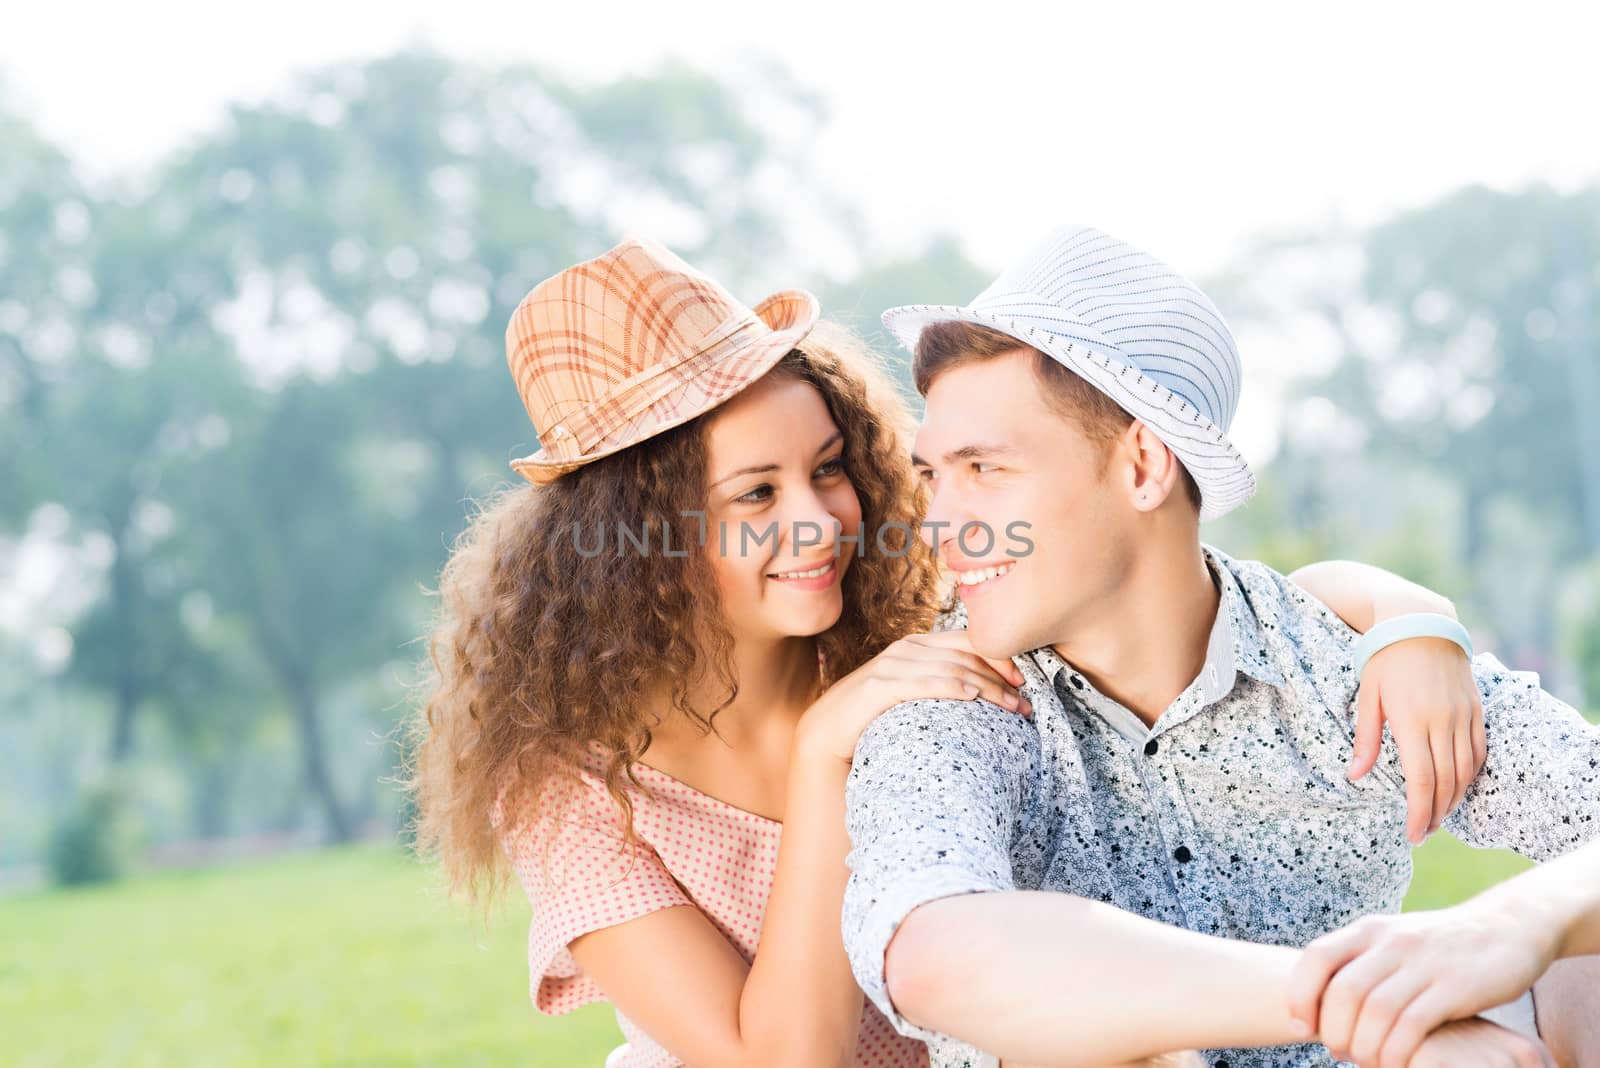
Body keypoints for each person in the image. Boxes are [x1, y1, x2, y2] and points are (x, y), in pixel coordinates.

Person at [405, 236, 1492, 1068]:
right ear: (639, 547)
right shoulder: (574, 791)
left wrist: (1400, 615)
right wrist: (829, 750)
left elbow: (1174, 588)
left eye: (828, 469)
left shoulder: (914, 641)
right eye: (756, 494)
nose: (822, 522)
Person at [840, 224, 1600, 1068]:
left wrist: (1506, 930)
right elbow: (930, 949)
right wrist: (1363, 999)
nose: (940, 526)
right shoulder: (949, 700)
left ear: (1141, 466)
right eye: (933, 476)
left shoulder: (1346, 663)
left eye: (985, 470)